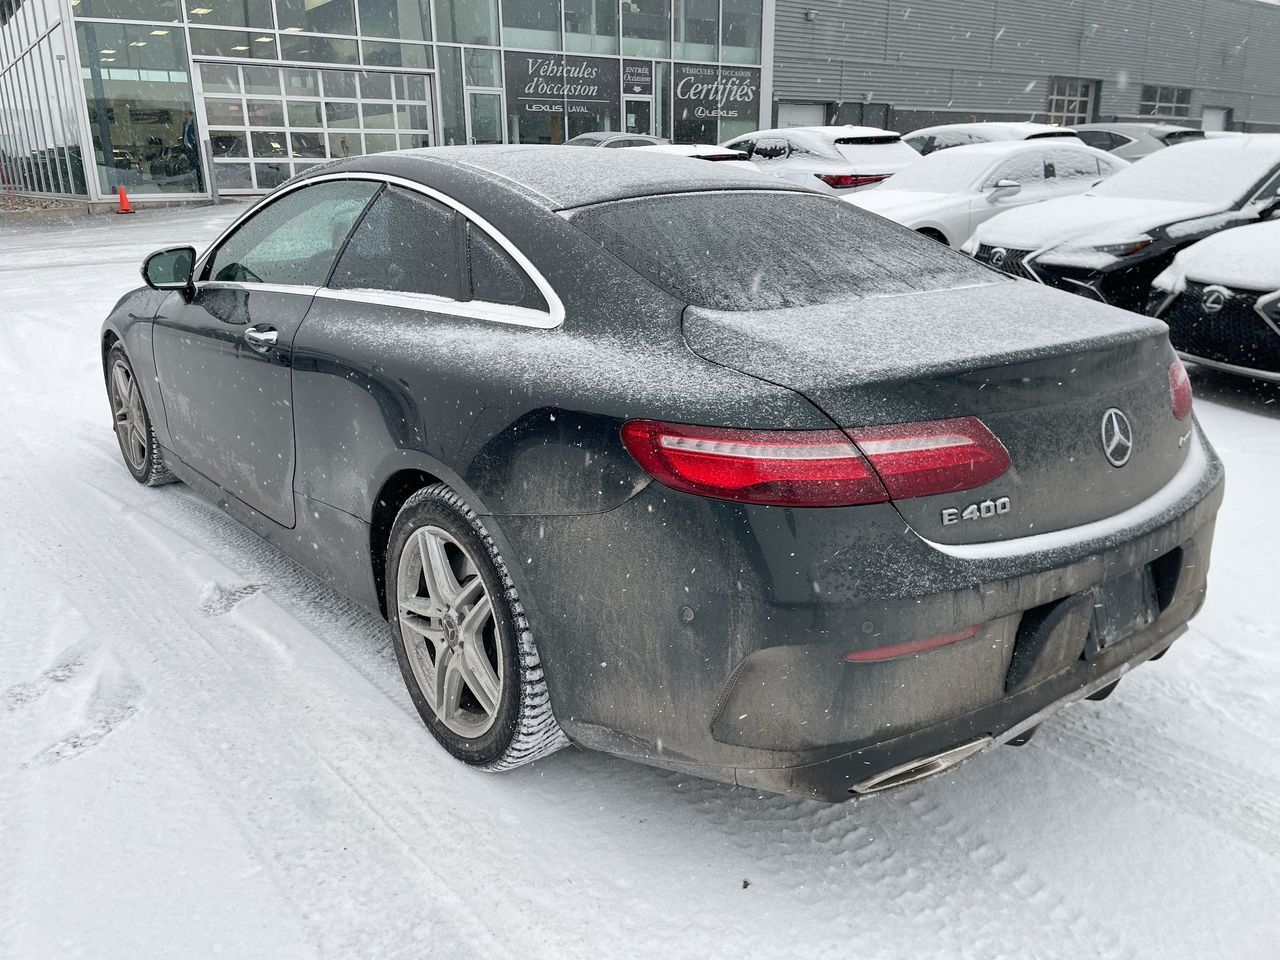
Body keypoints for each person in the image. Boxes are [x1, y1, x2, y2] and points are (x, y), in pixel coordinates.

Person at [181, 109, 204, 191]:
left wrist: (194, 145)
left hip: (193, 148)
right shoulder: (185, 124)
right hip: (188, 148)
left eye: (186, 114)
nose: (184, 116)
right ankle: (195, 184)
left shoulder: (194, 124)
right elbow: (185, 135)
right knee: (192, 167)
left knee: (197, 167)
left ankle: (201, 184)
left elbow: (194, 136)